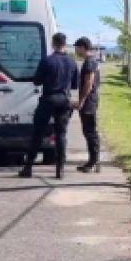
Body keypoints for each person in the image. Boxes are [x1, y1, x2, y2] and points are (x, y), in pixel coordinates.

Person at [18, 32, 78, 179]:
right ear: (65, 44)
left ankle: (28, 167)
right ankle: (60, 169)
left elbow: (37, 81)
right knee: (61, 134)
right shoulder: (72, 62)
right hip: (64, 100)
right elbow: (75, 85)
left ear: (53, 44)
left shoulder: (46, 61)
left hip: (48, 98)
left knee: (37, 133)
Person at [72, 37, 102, 173]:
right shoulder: (92, 61)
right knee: (89, 131)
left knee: (90, 131)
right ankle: (95, 160)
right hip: (91, 100)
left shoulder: (89, 62)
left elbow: (88, 84)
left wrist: (81, 101)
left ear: (83, 47)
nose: (76, 50)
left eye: (77, 48)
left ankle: (93, 160)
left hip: (89, 101)